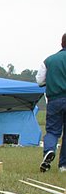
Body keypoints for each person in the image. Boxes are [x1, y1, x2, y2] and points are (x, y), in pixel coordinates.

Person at [37, 33, 66, 172]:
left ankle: (49, 150)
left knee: (52, 131)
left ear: (62, 43)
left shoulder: (49, 60)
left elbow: (40, 81)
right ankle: (63, 165)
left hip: (55, 100)